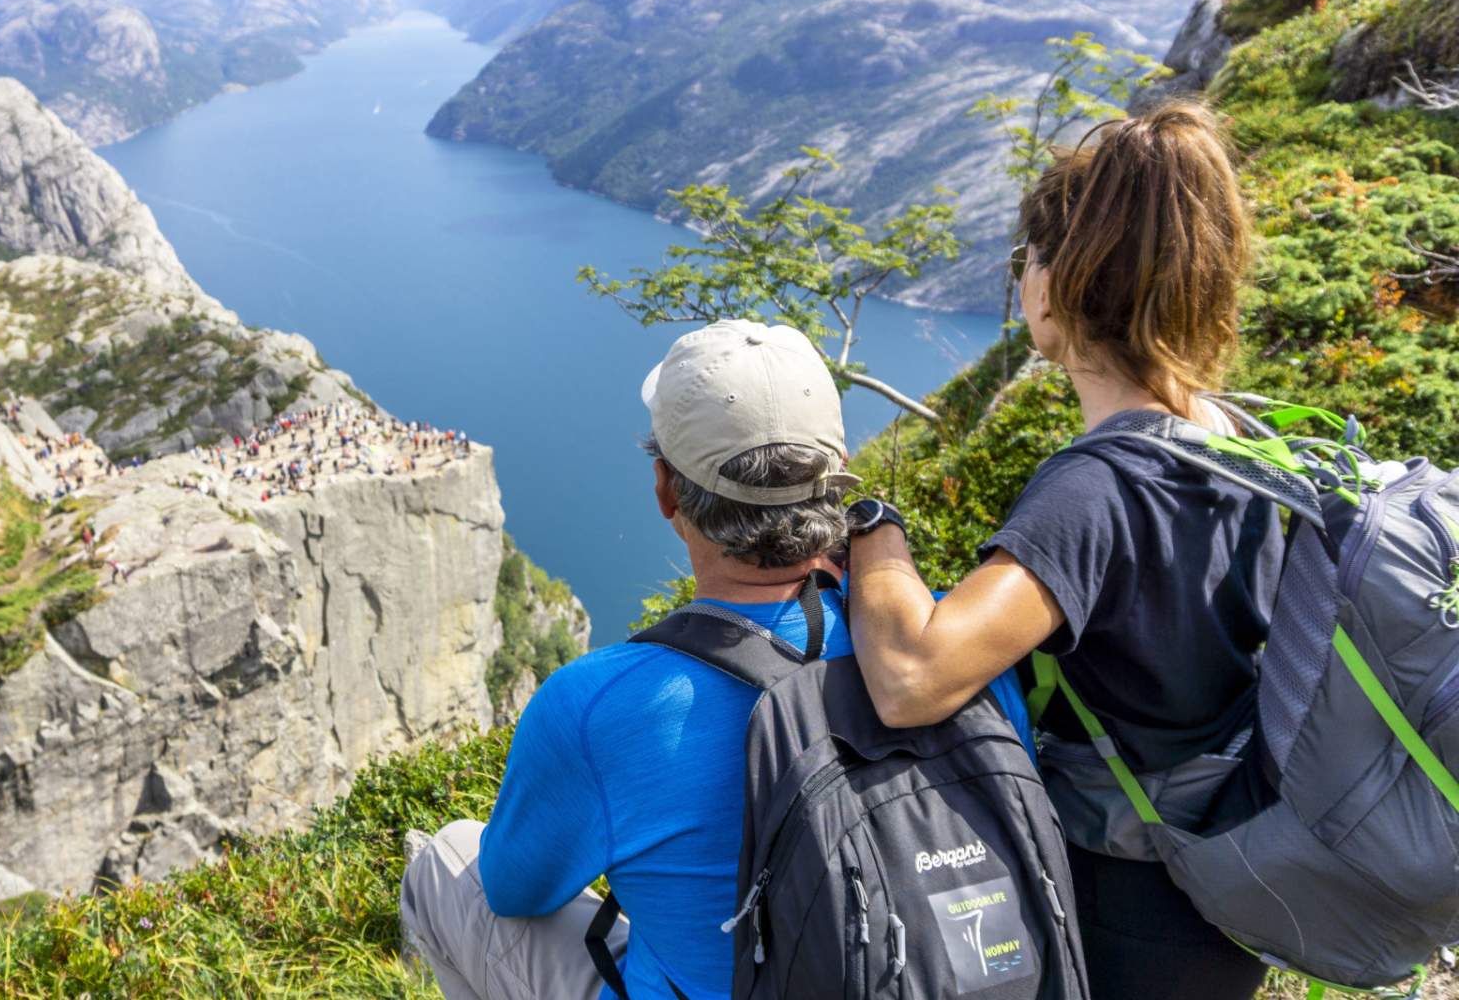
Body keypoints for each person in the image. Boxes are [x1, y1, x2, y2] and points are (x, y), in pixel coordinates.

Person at [401, 321, 1031, 1000]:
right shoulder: (955, 650)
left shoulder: (597, 707)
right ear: (838, 479)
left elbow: (513, 892)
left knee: (445, 862)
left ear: (666, 491)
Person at [843, 101, 1269, 1000]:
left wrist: (874, 527)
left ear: (1057, 284)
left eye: (1027, 258)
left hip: (1125, 902)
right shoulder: (1246, 440)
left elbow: (913, 676)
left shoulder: (1097, 488)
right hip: (1234, 884)